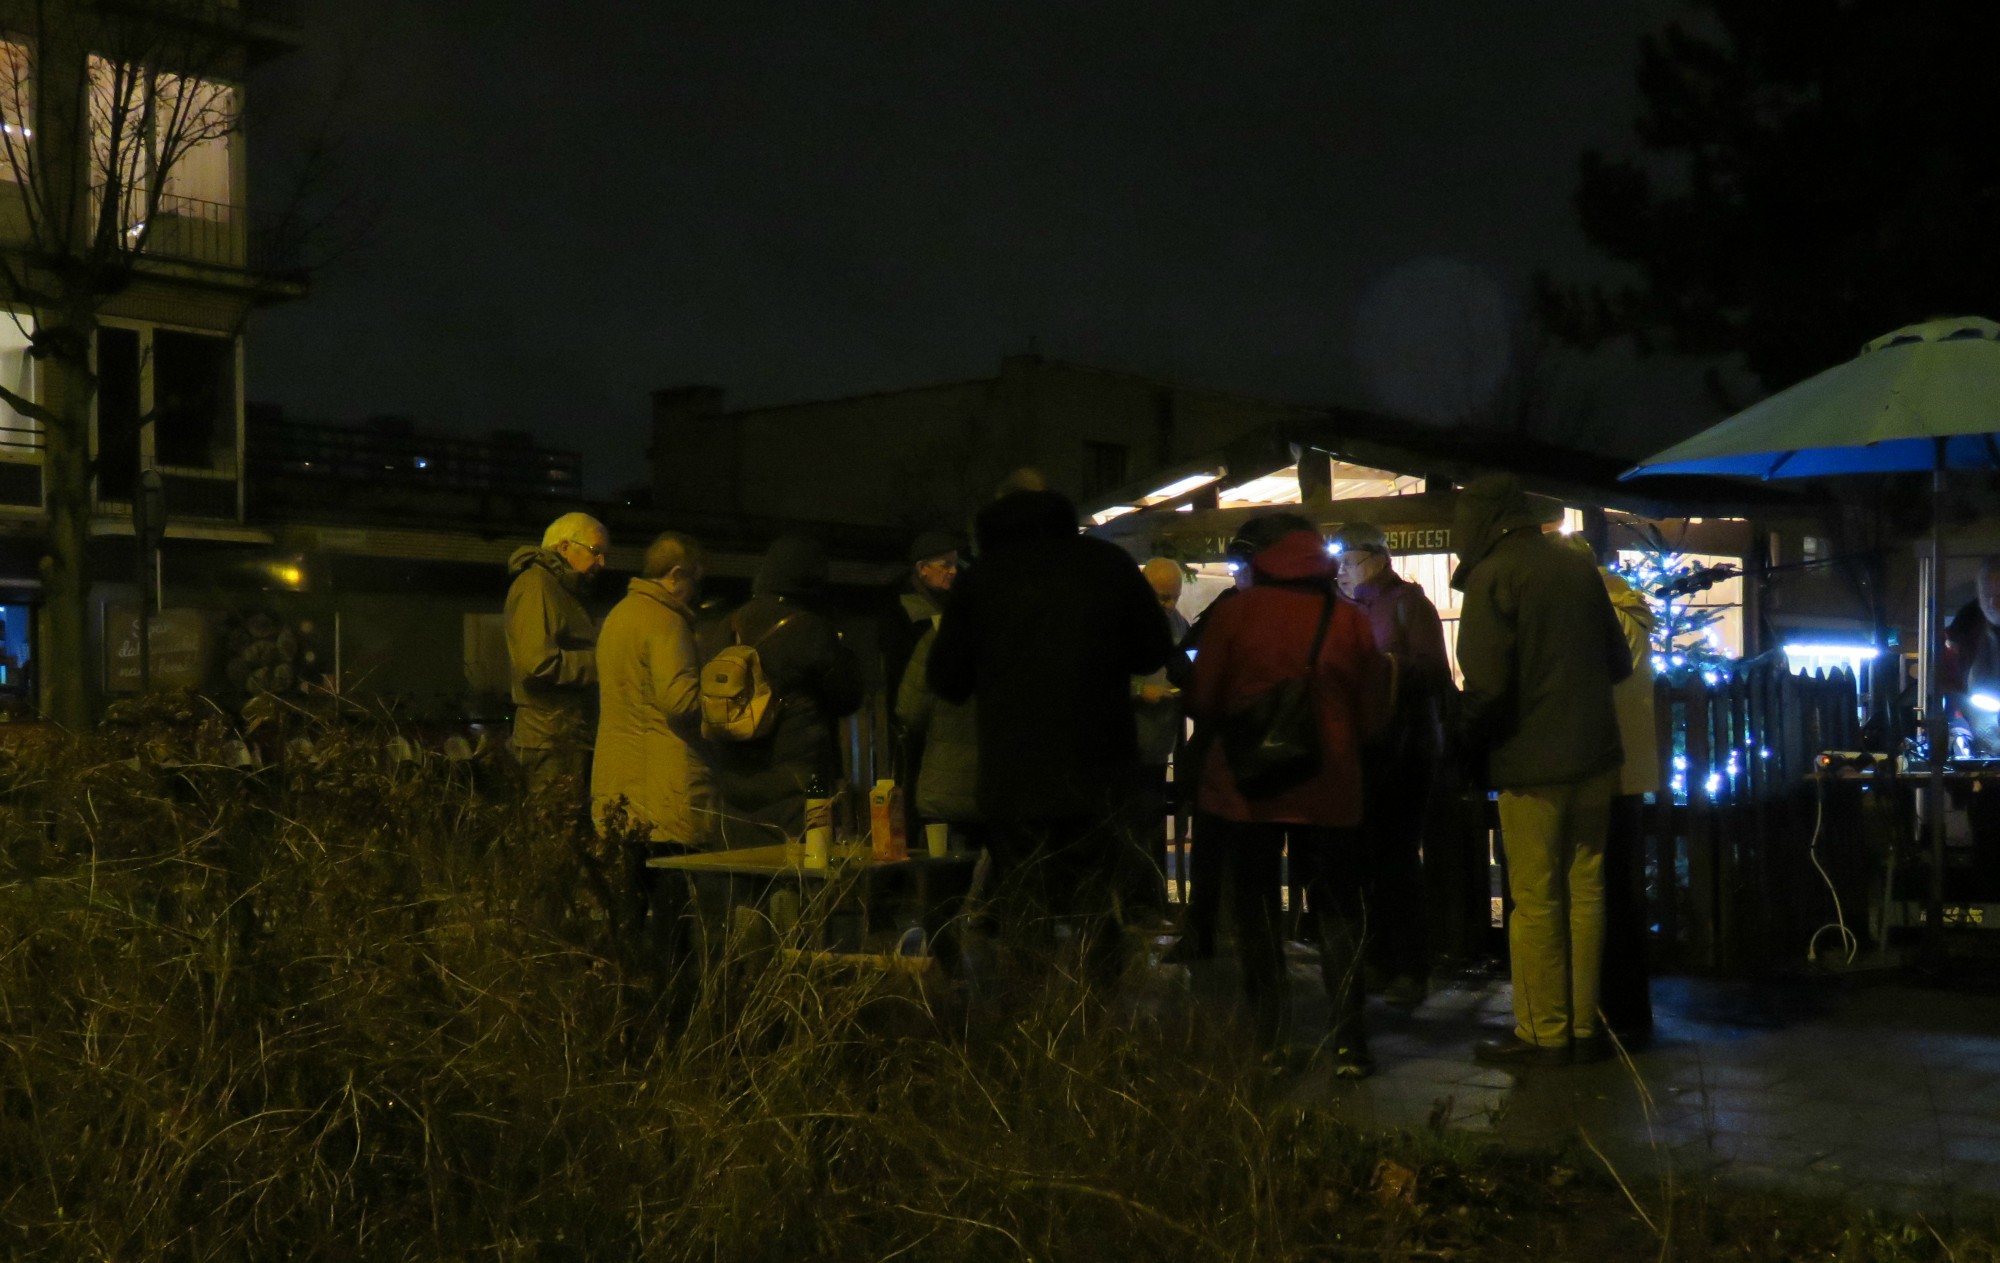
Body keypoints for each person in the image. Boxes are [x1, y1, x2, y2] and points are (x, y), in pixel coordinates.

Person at [928, 479, 1171, 979]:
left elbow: (945, 679)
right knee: (1097, 901)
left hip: (1014, 774)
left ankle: (1034, 1032)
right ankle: (1097, 1026)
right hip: (1100, 767)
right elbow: (1152, 651)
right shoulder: (1108, 566)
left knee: (1025, 901)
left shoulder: (982, 579)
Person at [1186, 519, 1392, 1075]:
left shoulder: (1234, 613)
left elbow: (1203, 699)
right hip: (1331, 785)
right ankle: (1350, 1041)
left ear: (1265, 560)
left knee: (1255, 912)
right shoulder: (1348, 619)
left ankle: (1272, 1037)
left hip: (1248, 788)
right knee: (1339, 911)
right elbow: (1374, 718)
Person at [1451, 476, 1632, 1067]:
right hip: (1597, 756)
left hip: (1531, 763)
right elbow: (1618, 661)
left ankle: (1542, 1033)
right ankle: (1584, 1027)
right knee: (1586, 890)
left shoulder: (1492, 575)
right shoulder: (1577, 567)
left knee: (1534, 899)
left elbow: (1485, 686)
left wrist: (1463, 747)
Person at [1164, 513, 1319, 965]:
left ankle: (1254, 966)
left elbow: (1196, 678)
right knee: (1229, 853)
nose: (1237, 576)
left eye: (1240, 567)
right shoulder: (1330, 607)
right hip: (1302, 756)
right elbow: (1186, 658)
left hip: (1238, 753)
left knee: (1242, 859)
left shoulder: (1236, 610)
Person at [1331, 521, 1451, 1007]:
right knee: (1365, 861)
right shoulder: (1346, 608)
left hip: (1406, 751)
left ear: (1374, 560)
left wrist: (1383, 667)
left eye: (1348, 561)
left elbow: (1432, 670)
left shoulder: (1409, 604)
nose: (1340, 571)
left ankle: (1410, 967)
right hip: (1364, 751)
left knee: (1397, 860)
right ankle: (1378, 960)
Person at [592, 532, 714, 951]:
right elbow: (679, 701)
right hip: (666, 792)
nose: (695, 594)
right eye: (694, 582)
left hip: (621, 789)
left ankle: (629, 1004)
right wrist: (721, 701)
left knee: (627, 914)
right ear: (677, 574)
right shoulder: (667, 620)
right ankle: (674, 1007)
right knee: (671, 921)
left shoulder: (618, 616)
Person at [711, 536, 865, 844]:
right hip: (796, 785)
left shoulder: (729, 625)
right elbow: (848, 695)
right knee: (799, 884)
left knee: (746, 882)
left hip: (734, 785)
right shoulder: (809, 627)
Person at [1591, 543, 1659, 1045]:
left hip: (1609, 770)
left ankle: (1620, 1010)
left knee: (1609, 894)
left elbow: (1600, 686)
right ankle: (1629, 1010)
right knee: (1620, 892)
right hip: (1631, 770)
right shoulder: (1630, 613)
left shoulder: (1611, 619)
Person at [506, 512, 607, 794]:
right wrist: (600, 663)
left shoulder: (560, 590)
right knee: (554, 830)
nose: (602, 563)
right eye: (595, 552)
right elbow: (538, 663)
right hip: (550, 738)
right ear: (564, 547)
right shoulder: (537, 585)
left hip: (562, 735)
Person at [1126, 557, 1192, 923]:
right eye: (1162, 597)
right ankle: (1138, 905)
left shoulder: (1176, 623)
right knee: (1134, 827)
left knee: (1149, 826)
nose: (1168, 605)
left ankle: (1150, 903)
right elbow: (1097, 673)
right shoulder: (1121, 623)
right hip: (1129, 745)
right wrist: (1138, 689)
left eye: (1174, 597)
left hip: (1156, 744)